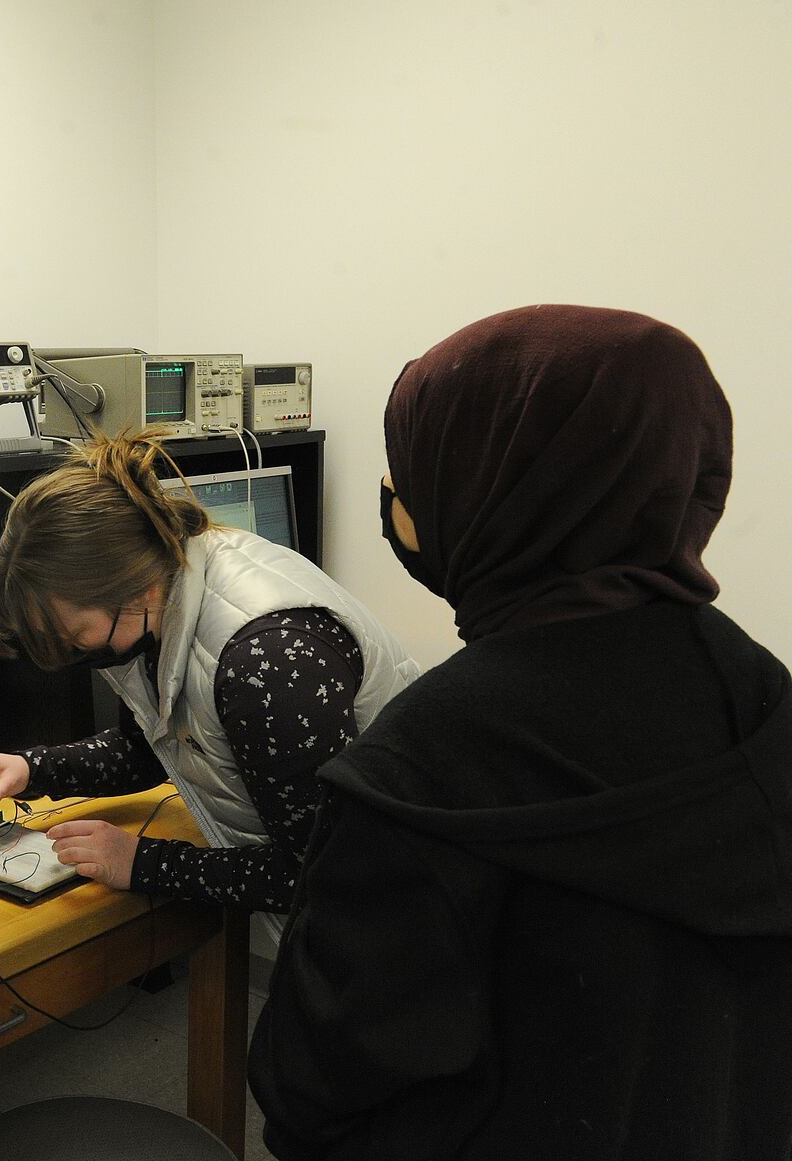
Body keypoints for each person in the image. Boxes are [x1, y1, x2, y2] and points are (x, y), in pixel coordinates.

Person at [251, 304, 792, 1159]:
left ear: (493, 488)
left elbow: (315, 1088)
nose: (395, 502)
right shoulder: (759, 689)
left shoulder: (420, 762)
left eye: (416, 472)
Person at [0, 431, 420, 925]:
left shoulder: (267, 664)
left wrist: (141, 862)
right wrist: (34, 769)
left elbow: (326, 872)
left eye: (76, 638)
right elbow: (167, 745)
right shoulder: (174, 575)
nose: (78, 654)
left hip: (405, 911)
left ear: (134, 589)